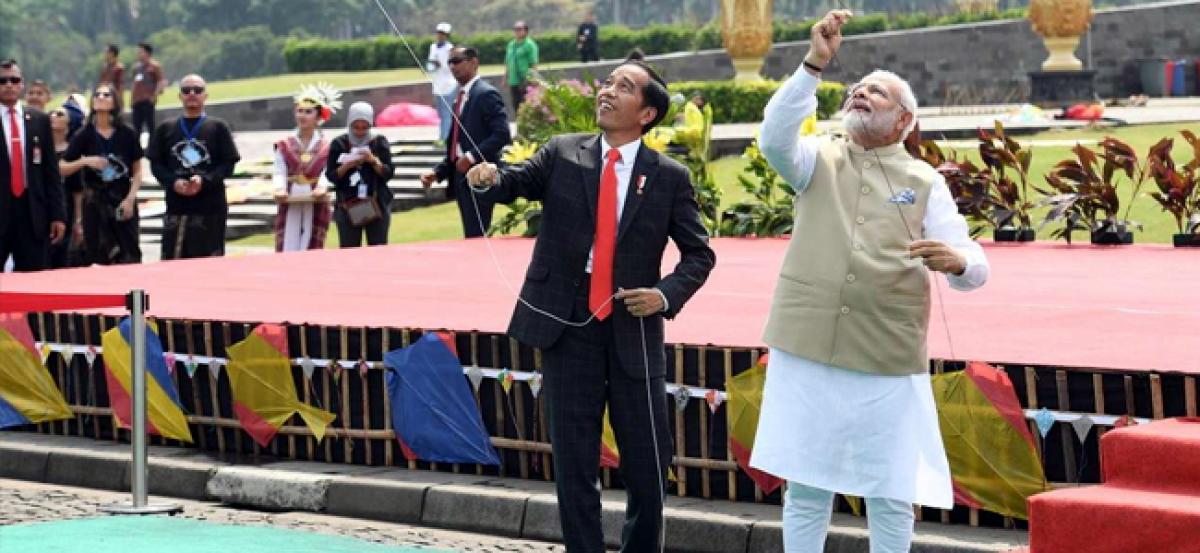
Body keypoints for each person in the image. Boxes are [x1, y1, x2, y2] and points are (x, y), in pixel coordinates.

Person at [748, 11, 990, 553]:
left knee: (891, 487)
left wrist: (956, 262)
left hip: (886, 351)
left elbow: (974, 261)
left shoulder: (924, 180)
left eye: (876, 93)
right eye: (857, 89)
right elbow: (773, 136)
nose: (861, 94)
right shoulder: (816, 159)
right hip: (807, 342)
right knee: (806, 483)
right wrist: (815, 63)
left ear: (904, 120)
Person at [465, 58, 716, 553]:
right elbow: (516, 181)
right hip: (566, 322)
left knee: (646, 460)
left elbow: (699, 253)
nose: (607, 92)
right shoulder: (563, 152)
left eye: (624, 87)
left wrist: (664, 293)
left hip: (632, 323)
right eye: (607, 83)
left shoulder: (668, 176)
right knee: (575, 460)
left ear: (647, 114)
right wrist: (488, 177)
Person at [146, 74, 240, 260]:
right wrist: (173, 182)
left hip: (210, 207)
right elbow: (156, 164)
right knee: (174, 258)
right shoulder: (165, 128)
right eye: (186, 90)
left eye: (197, 90)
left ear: (205, 95)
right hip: (176, 206)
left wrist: (205, 181)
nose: (192, 94)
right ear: (179, 96)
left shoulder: (218, 127)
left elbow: (228, 164)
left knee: (208, 262)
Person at [419, 47, 510, 238]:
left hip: (480, 176)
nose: (453, 66)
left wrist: (471, 157)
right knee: (471, 235)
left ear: (474, 62)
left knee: (477, 236)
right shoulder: (459, 98)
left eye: (457, 60)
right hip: (461, 177)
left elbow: (502, 134)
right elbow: (456, 146)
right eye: (450, 62)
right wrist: (438, 172)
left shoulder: (486, 94)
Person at [59, 83, 143, 265]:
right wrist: (85, 161)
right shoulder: (84, 134)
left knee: (129, 254)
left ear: (115, 102)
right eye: (97, 94)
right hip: (95, 202)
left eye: (106, 95)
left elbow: (137, 171)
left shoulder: (127, 133)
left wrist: (130, 199)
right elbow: (62, 166)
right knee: (97, 255)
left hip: (122, 199)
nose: (101, 97)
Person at [0, 59, 67, 272]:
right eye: (2, 81)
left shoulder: (38, 120)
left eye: (14, 80)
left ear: (22, 84)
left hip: (32, 212)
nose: (9, 84)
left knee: (34, 277)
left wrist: (58, 214)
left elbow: (51, 172)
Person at [273, 84, 338, 252]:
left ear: (318, 116)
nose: (302, 115)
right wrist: (279, 188)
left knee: (311, 240)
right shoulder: (285, 144)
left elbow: (327, 170)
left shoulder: (327, 146)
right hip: (291, 197)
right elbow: (280, 169)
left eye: (308, 112)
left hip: (315, 197)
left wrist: (322, 187)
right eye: (300, 111)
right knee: (288, 240)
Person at [326, 102, 394, 248]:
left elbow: (388, 173)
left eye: (365, 128)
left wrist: (373, 161)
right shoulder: (339, 143)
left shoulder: (378, 142)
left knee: (378, 248)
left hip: (377, 204)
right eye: (355, 127)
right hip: (347, 205)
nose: (359, 132)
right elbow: (331, 176)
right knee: (349, 249)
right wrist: (347, 165)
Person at [48, 107, 84, 268]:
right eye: (52, 113)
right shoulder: (37, 149)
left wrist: (78, 220)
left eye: (60, 114)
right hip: (41, 211)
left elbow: (78, 190)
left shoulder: (72, 152)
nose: (53, 116)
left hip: (66, 209)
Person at [129, 42, 166, 140]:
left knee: (151, 126)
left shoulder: (154, 66)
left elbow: (160, 82)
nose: (139, 54)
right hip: (137, 101)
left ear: (147, 53)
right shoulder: (136, 68)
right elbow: (134, 83)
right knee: (136, 127)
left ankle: (153, 149)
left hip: (148, 100)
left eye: (141, 52)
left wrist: (154, 96)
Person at [428, 23, 457, 145]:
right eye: (439, 33)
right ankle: (442, 135)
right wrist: (431, 66)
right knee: (440, 113)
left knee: (446, 113)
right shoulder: (433, 47)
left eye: (443, 34)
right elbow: (430, 63)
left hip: (448, 84)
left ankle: (445, 138)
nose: (440, 36)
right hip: (438, 84)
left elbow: (451, 66)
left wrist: (440, 65)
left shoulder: (450, 48)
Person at [504, 21, 539, 109]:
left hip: (525, 80)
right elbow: (508, 62)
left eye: (519, 29)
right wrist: (505, 78)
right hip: (513, 80)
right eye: (515, 29)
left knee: (526, 105)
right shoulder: (511, 45)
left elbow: (534, 63)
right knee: (516, 104)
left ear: (526, 31)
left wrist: (533, 79)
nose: (517, 31)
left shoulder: (530, 45)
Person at [97, 44, 125, 113]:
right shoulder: (105, 67)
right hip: (104, 99)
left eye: (106, 52)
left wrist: (120, 101)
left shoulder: (119, 68)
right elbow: (101, 83)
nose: (105, 54)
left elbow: (120, 85)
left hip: (114, 100)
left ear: (111, 53)